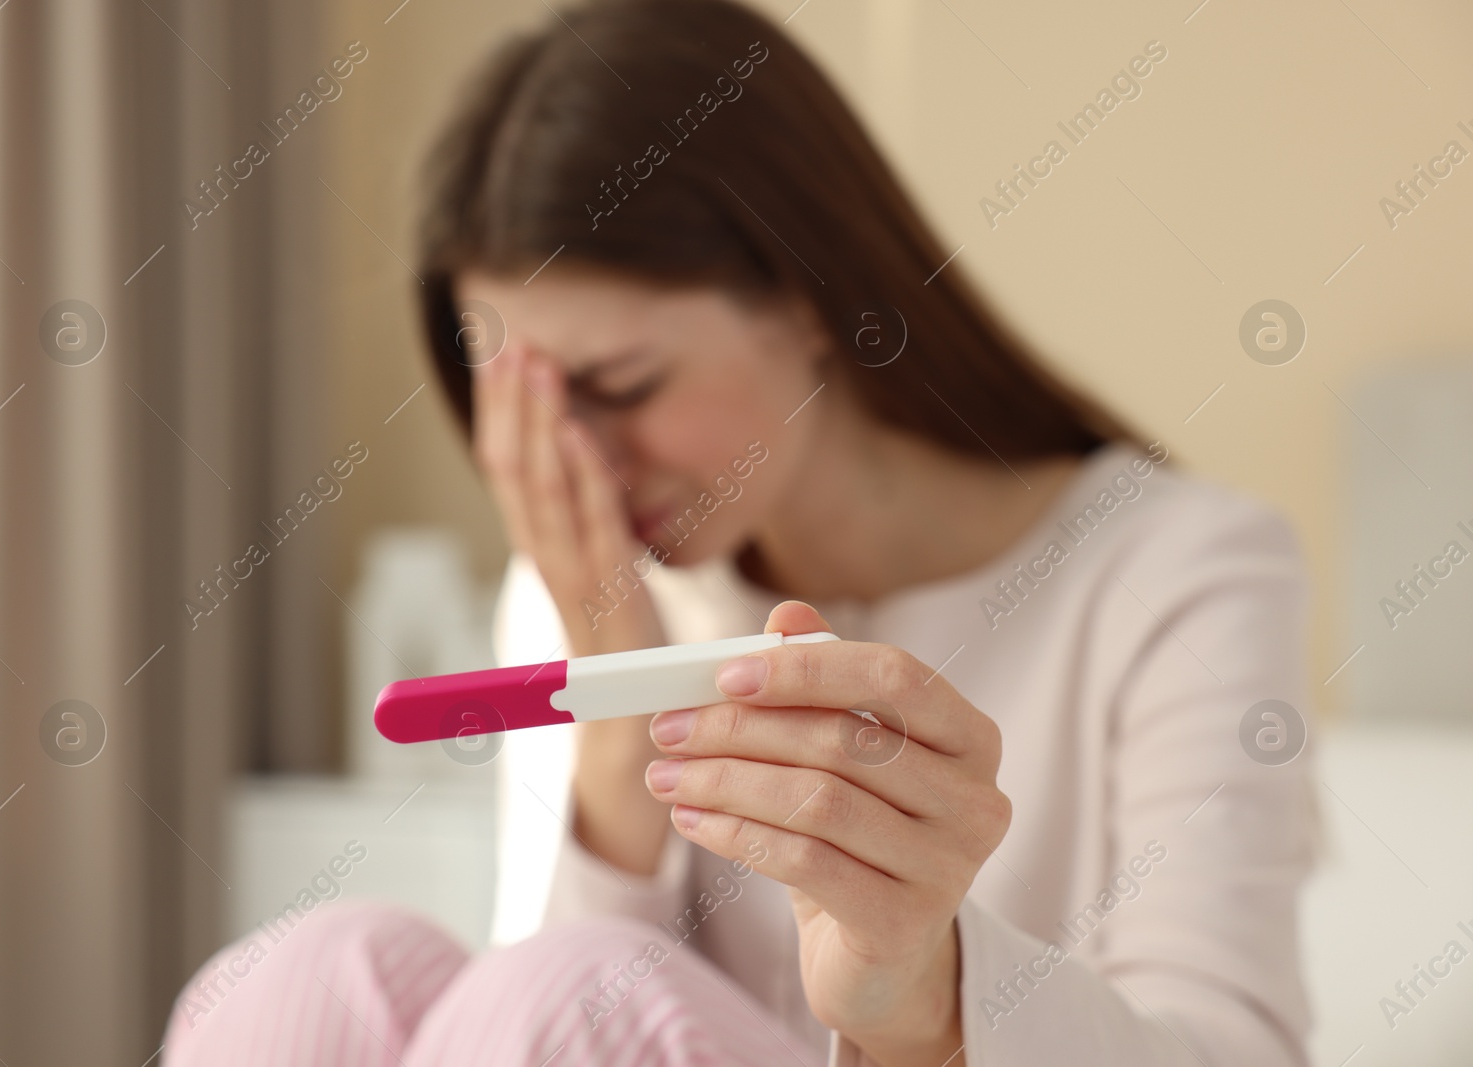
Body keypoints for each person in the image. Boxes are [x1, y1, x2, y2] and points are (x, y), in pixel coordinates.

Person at [162, 1, 1316, 1064]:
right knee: (309, 974)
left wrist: (920, 985)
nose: (581, 469)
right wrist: (610, 724)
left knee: (571, 987)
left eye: (622, 381)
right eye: (527, 413)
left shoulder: (1175, 572)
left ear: (811, 297)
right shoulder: (586, 588)